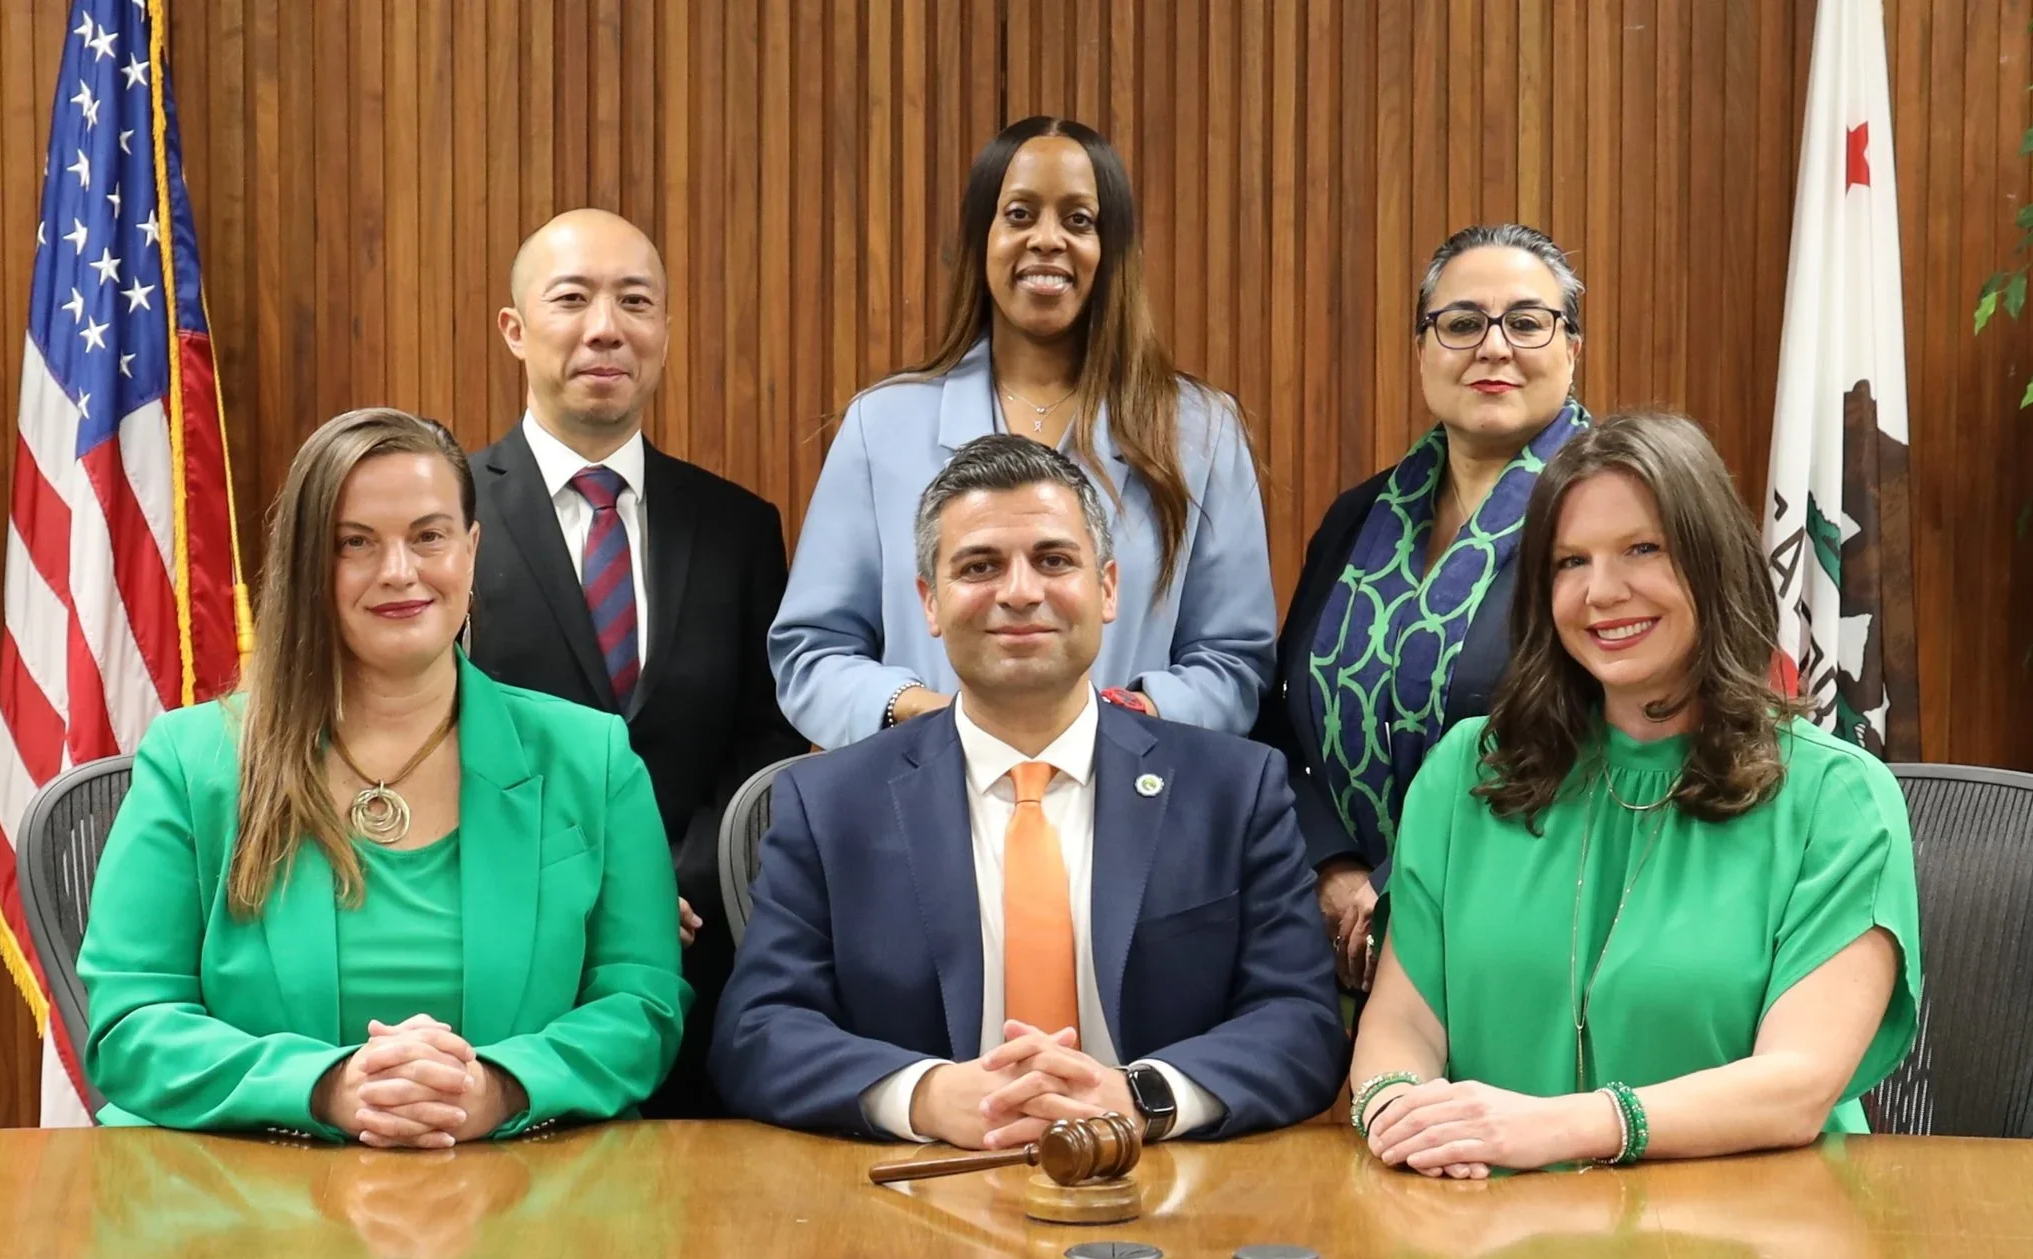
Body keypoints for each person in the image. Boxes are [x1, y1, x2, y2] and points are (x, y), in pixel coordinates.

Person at [79, 408, 691, 1144]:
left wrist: (500, 1088)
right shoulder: (192, 759)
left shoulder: (591, 757)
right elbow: (131, 1023)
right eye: (355, 544)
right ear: (310, 566)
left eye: (428, 536)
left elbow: (643, 1005)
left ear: (470, 550)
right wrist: (329, 1088)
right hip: (246, 1195)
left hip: (528, 1189)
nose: (399, 571)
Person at [715, 435, 1344, 1147]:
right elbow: (758, 1030)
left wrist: (1142, 1096)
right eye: (979, 566)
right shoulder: (828, 804)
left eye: (1053, 561)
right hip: (912, 1200)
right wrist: (925, 1095)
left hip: (1168, 1190)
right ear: (930, 602)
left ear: (1106, 589)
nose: (1019, 593)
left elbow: (1301, 1020)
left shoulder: (1234, 790)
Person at [1347, 412, 1920, 1179]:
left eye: (1642, 550)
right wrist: (1400, 1112)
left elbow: (1798, 1086)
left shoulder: (1835, 796)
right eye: (1568, 562)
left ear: (1712, 562)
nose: (1601, 592)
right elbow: (1404, 1022)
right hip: (1488, 1228)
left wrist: (1558, 1128)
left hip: (1747, 1239)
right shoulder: (1466, 772)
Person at [768, 116, 1275, 748]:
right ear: (983, 237)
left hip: (1134, 798)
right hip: (926, 793)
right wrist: (931, 718)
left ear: (1112, 248)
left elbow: (1234, 661)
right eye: (1019, 214)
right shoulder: (883, 424)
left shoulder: (1200, 431)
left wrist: (1125, 718)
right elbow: (813, 651)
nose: (1047, 240)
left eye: (1079, 220)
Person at [466, 208, 805, 1118]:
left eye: (635, 302)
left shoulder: (738, 527)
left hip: (701, 955)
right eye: (572, 299)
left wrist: (668, 887)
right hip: (505, 958)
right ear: (515, 329)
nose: (605, 327)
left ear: (663, 332)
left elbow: (767, 734)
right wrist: (593, 890)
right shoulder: (447, 517)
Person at [1256, 224, 1591, 991]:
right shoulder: (1357, 516)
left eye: (1528, 322)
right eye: (1462, 323)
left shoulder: (1618, 516)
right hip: (1336, 935)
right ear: (1422, 351)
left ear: (1572, 349)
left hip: (1537, 933)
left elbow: (1600, 742)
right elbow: (1280, 716)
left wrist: (1403, 880)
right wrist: (1333, 865)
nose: (1494, 347)